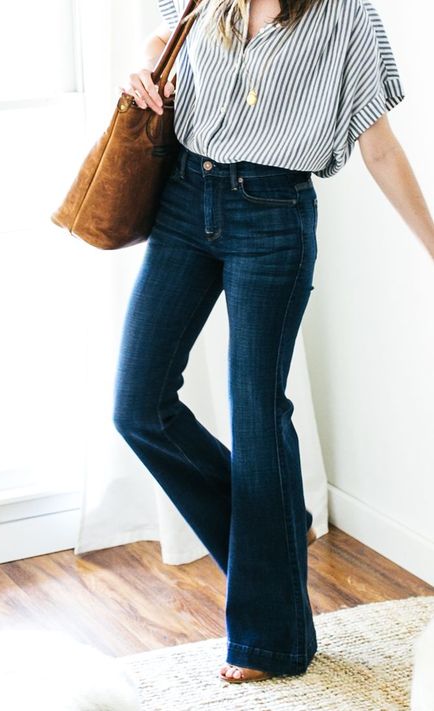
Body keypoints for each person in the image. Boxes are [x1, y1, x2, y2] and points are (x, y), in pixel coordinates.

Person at [113, 0, 434, 685]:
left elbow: (378, 145)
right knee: (138, 406)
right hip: (182, 200)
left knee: (256, 413)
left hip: (274, 214)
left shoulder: (348, 20)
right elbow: (162, 35)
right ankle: (279, 533)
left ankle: (273, 638)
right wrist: (143, 63)